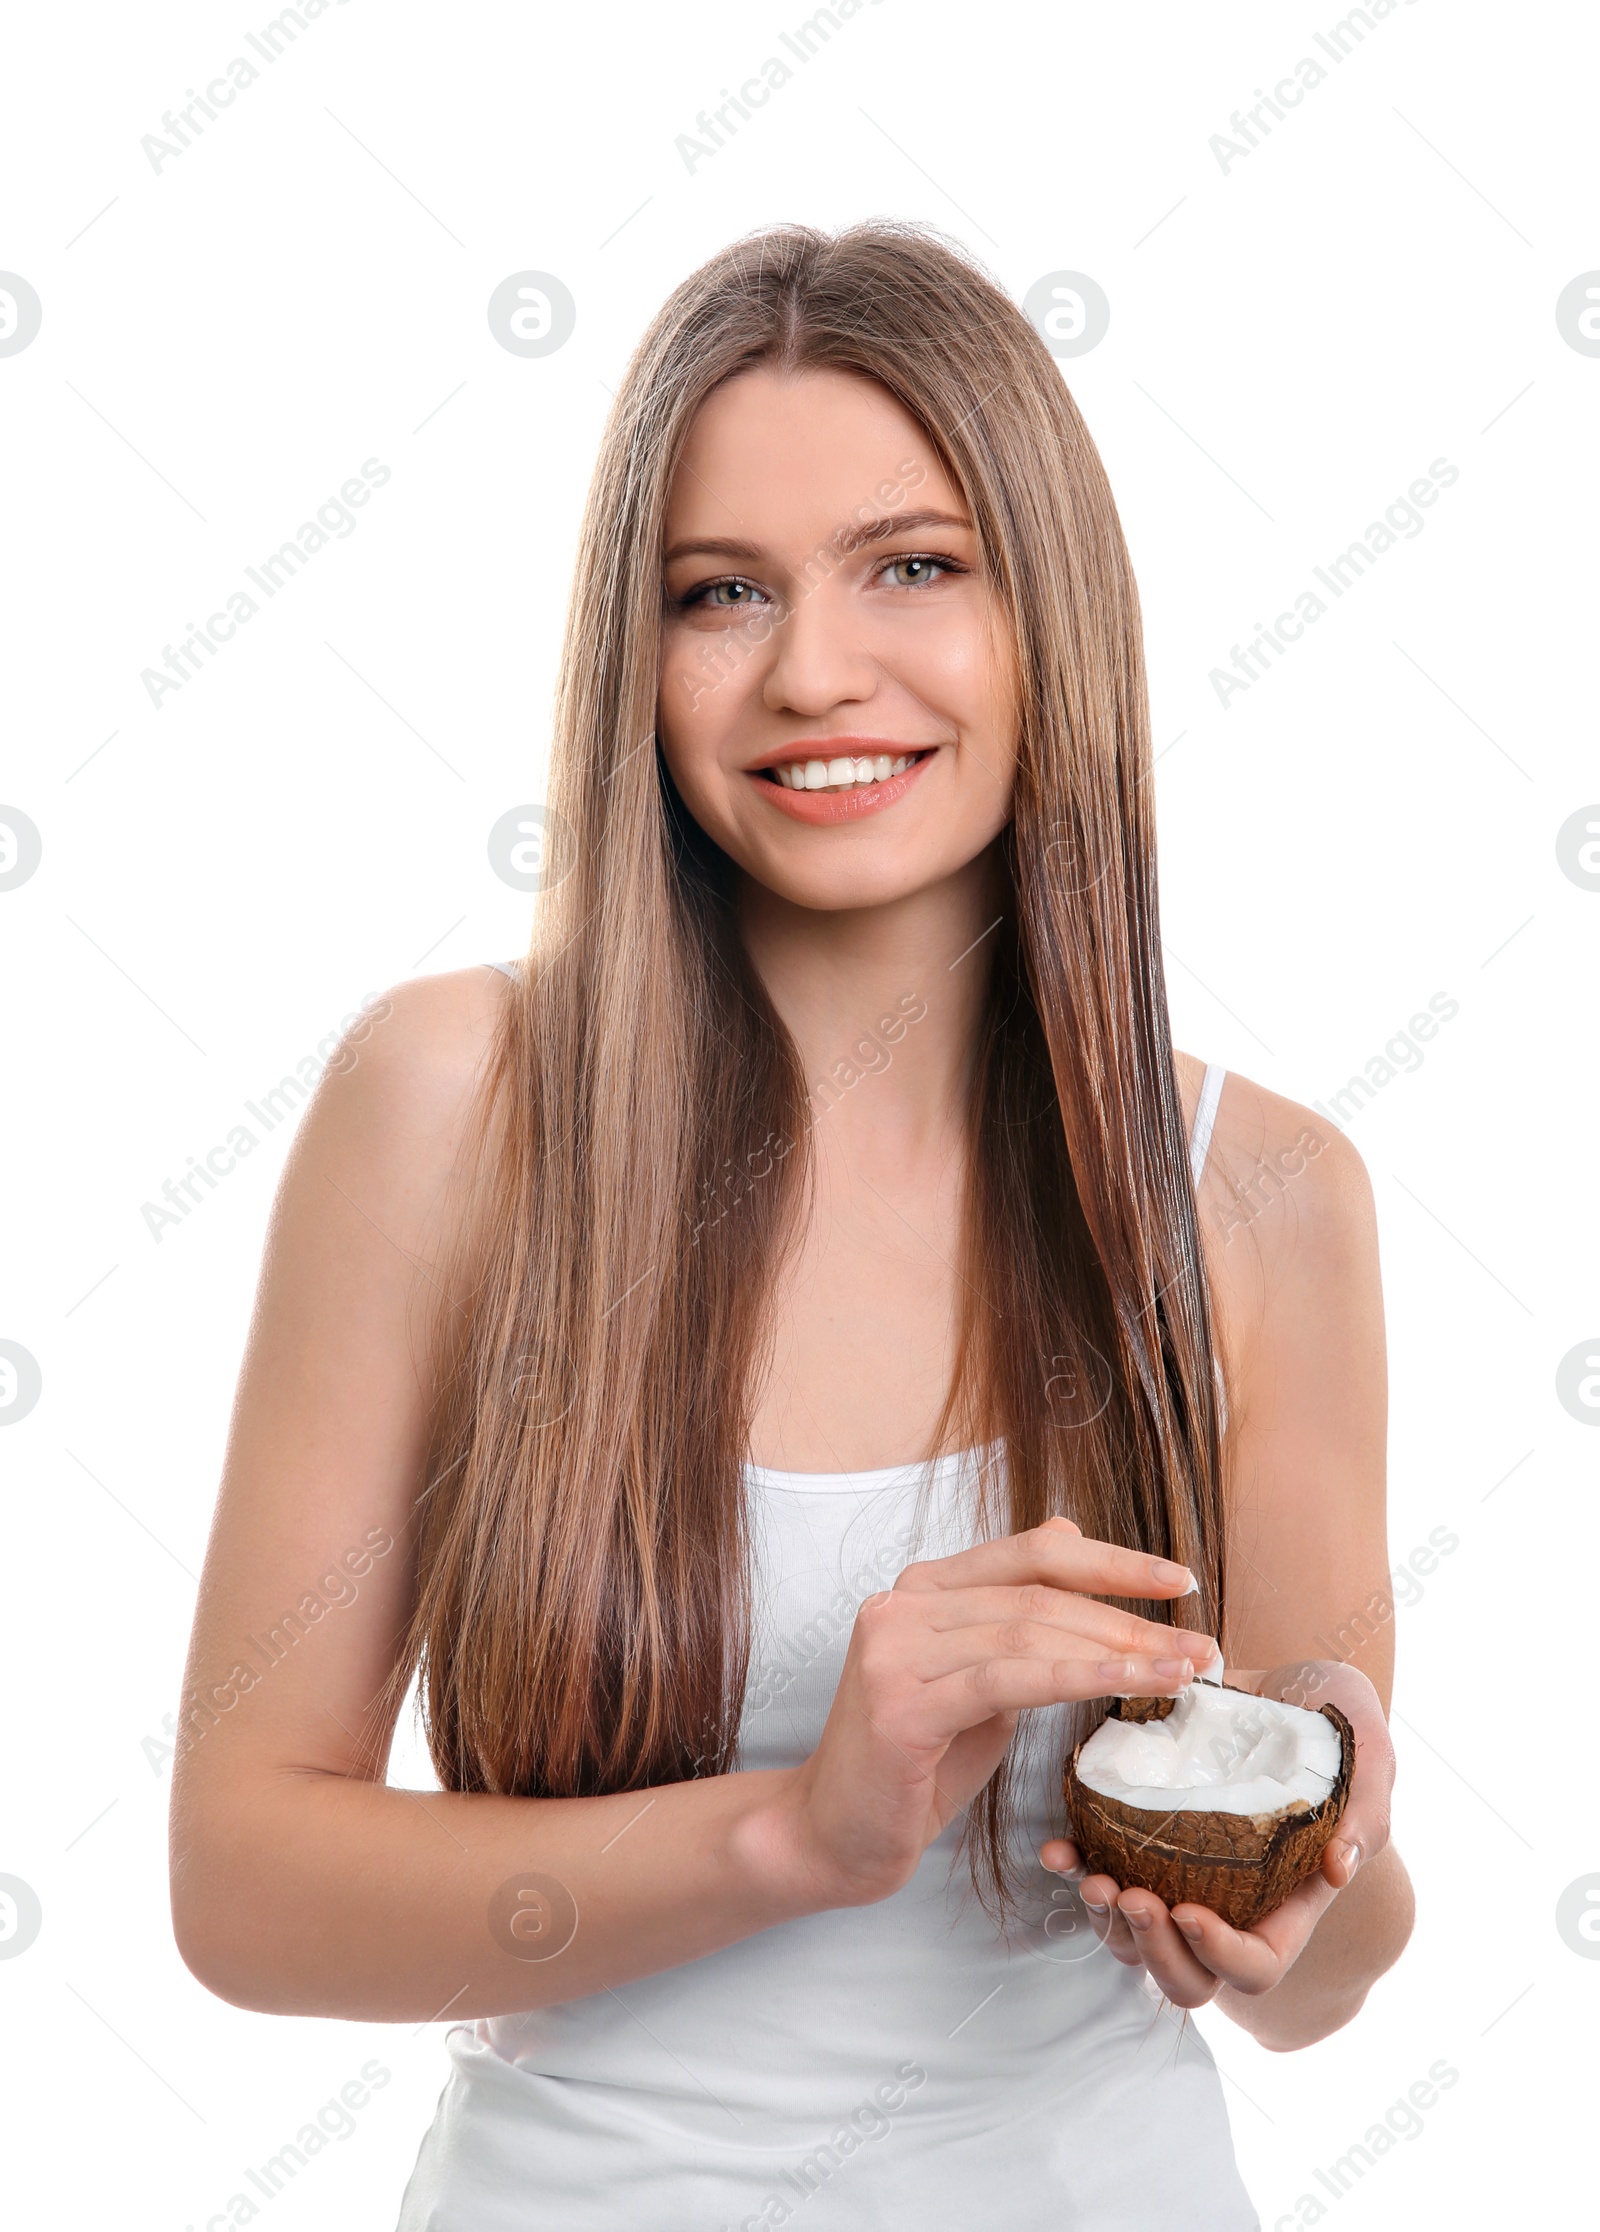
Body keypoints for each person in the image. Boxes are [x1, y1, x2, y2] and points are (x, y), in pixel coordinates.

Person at [169, 222, 1413, 2231]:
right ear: (633, 662)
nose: (814, 672)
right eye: (717, 594)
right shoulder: (454, 1107)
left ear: (1047, 615)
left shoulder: (1261, 1197)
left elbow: (1324, 1987)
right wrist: (798, 1833)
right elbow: (242, 1889)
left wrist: (1317, 1871)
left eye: (911, 566)